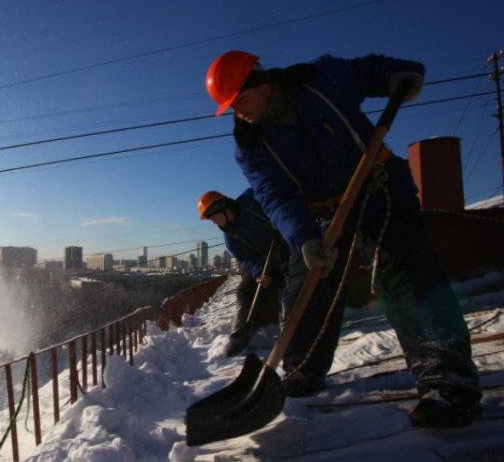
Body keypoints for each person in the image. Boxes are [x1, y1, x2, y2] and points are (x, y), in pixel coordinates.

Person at [205, 50, 481, 429]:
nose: (239, 112)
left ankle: (447, 381)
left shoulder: (320, 80)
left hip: (380, 189)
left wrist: (398, 75)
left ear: (261, 82)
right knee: (305, 284)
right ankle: (301, 373)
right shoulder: (251, 147)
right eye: (230, 107)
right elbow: (276, 195)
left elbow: (368, 70)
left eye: (240, 100)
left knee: (405, 273)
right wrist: (303, 239)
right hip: (321, 215)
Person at [198, 189, 288, 357]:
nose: (215, 223)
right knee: (245, 291)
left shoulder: (250, 202)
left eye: (215, 217)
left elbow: (271, 195)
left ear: (223, 207)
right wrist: (260, 272)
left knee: (288, 289)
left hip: (288, 251)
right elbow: (247, 259)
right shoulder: (231, 237)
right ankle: (241, 334)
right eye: (211, 220)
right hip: (265, 263)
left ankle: (289, 330)